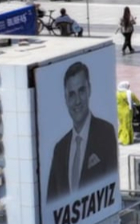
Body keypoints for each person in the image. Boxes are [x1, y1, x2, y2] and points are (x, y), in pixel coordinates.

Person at [47, 62, 119, 201]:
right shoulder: (60, 149)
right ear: (65, 99)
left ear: (89, 90)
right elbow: (51, 200)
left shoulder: (105, 133)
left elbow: (112, 184)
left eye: (81, 91)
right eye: (71, 95)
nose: (77, 101)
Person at [115, 81, 140, 146]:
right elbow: (137, 102)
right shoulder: (129, 93)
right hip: (127, 111)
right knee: (127, 125)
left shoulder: (117, 93)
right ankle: (127, 140)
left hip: (119, 110)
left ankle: (121, 138)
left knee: (122, 124)